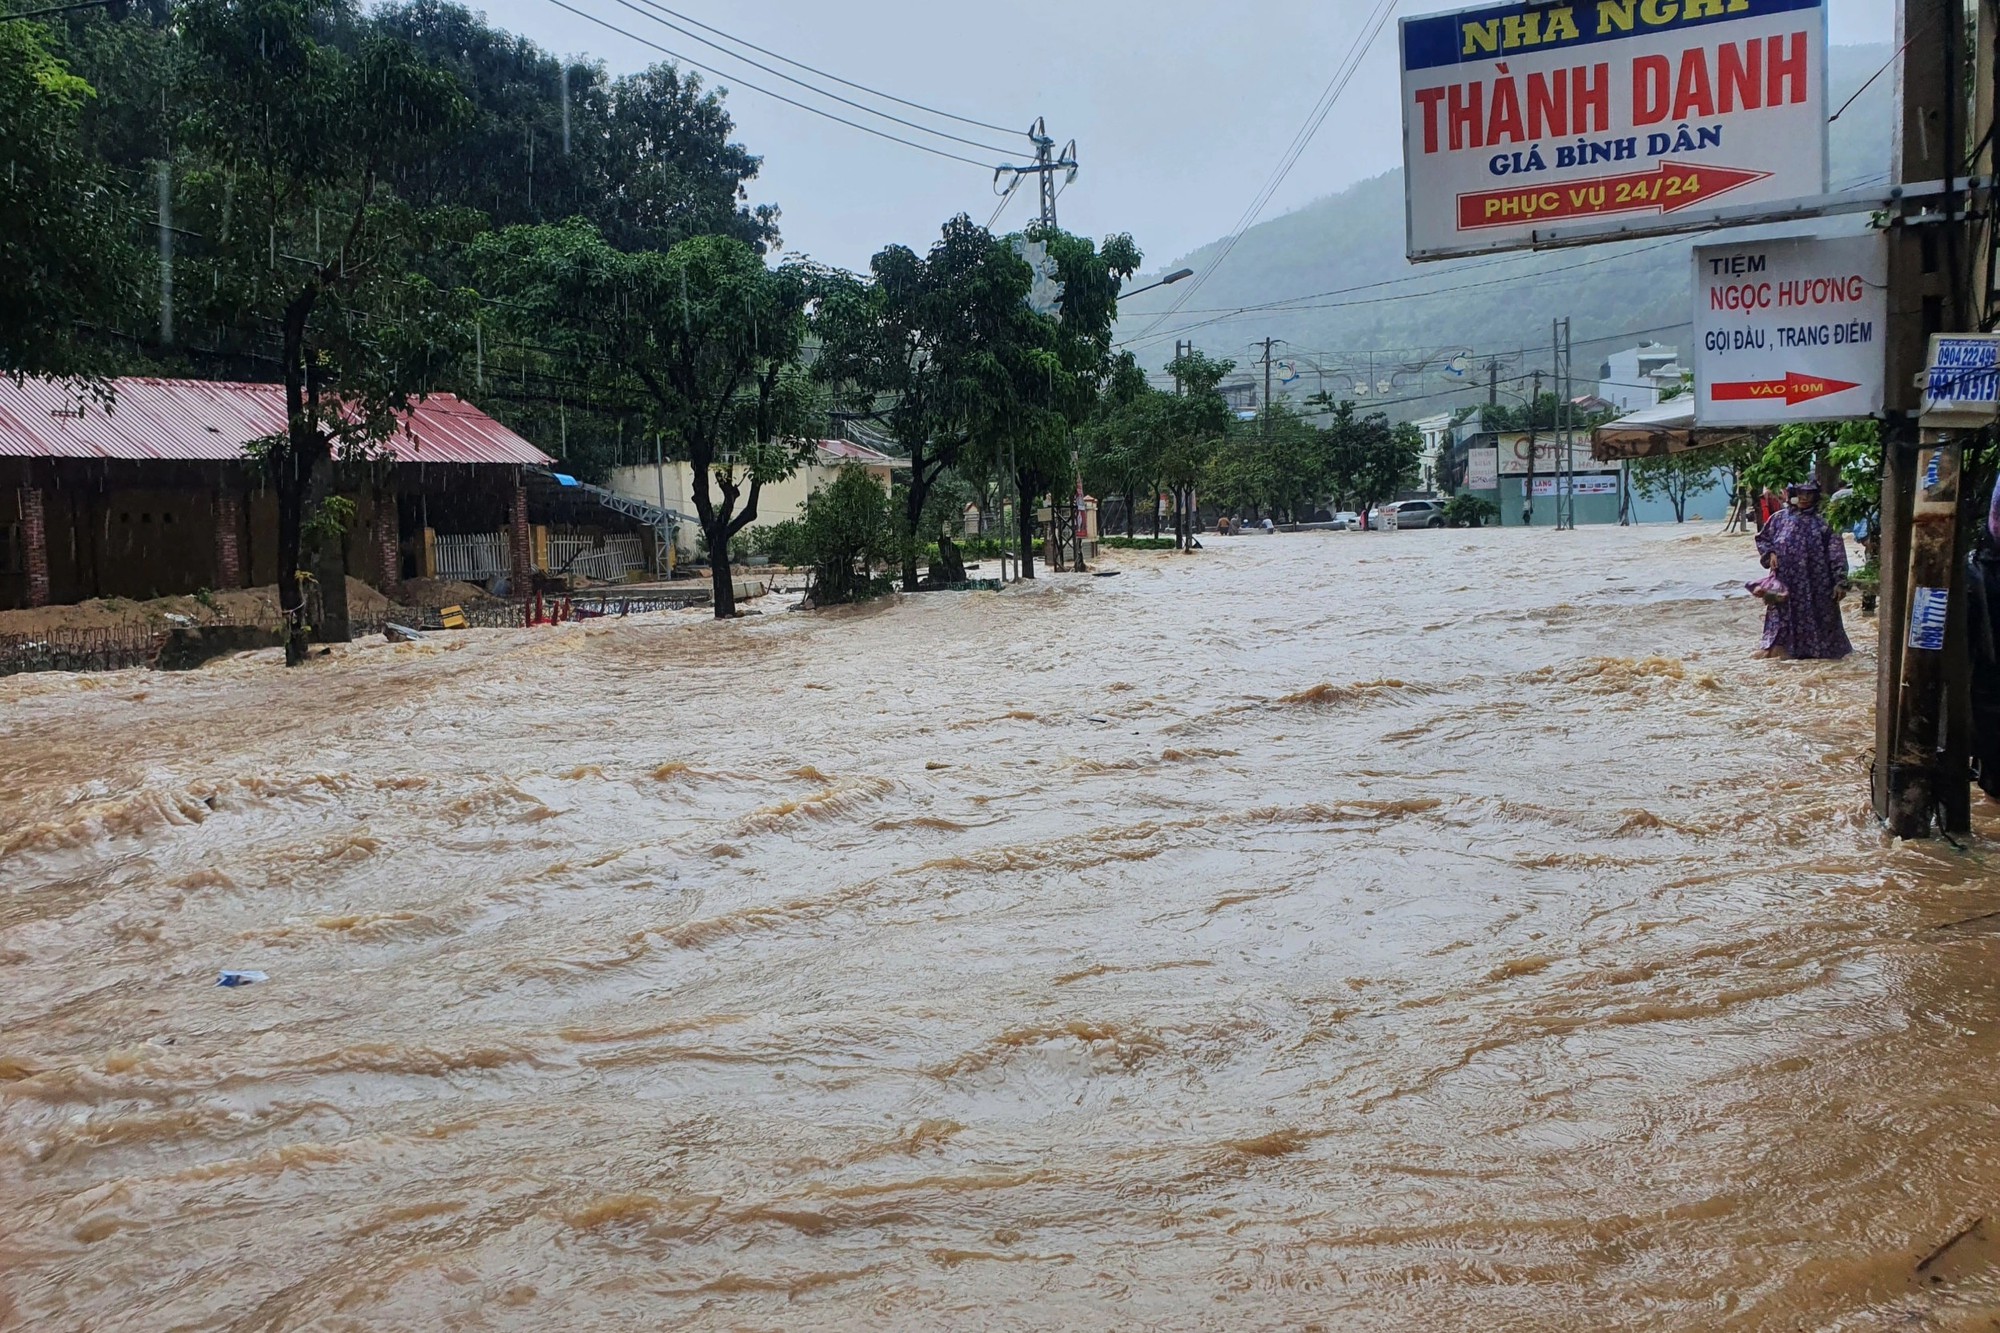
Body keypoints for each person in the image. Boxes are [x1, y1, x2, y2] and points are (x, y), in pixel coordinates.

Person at [1753, 481, 1852, 660]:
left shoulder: (1824, 522)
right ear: (1792, 494)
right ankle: (1782, 655)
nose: (1805, 498)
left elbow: (1836, 553)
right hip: (1785, 583)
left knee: (1821, 621)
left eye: (1810, 494)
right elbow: (1762, 539)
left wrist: (1840, 582)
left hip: (1818, 584)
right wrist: (1771, 553)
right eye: (1801, 493)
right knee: (1782, 621)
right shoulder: (1778, 519)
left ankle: (1820, 657)